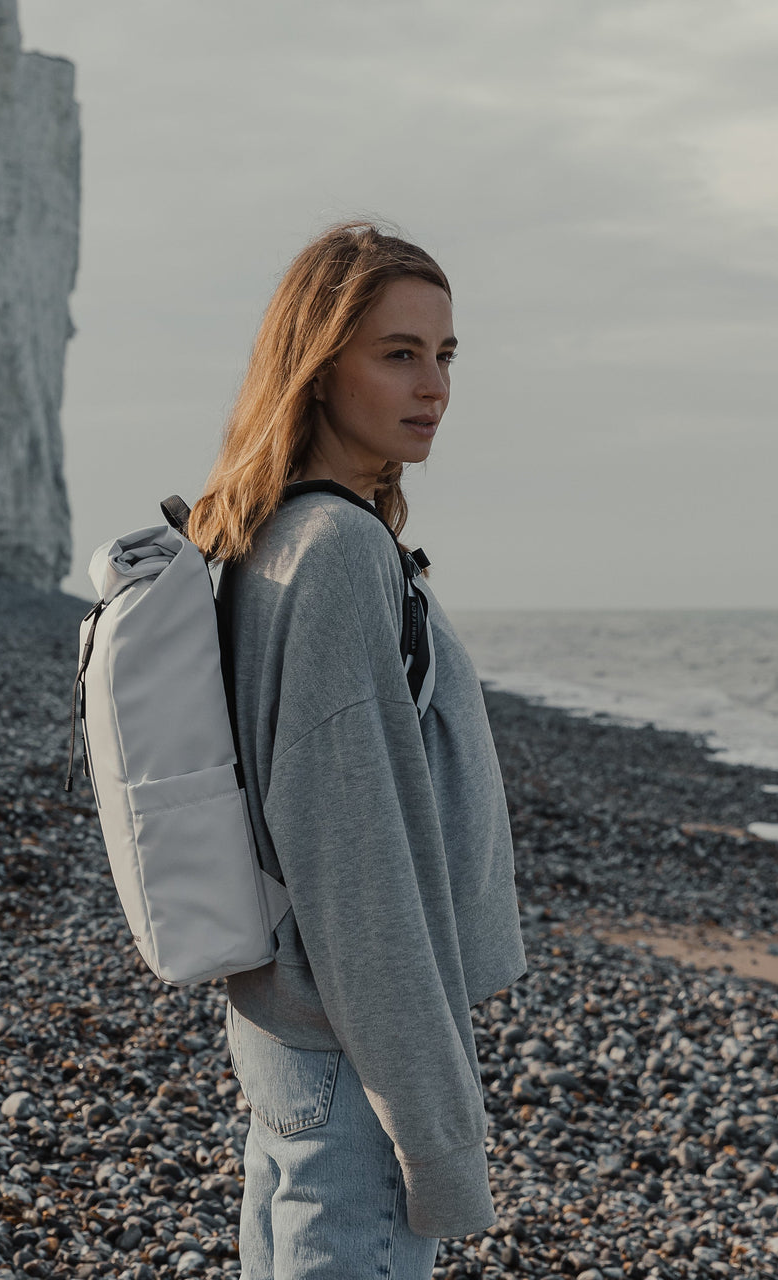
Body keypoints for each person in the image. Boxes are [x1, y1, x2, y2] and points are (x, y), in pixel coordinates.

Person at [187, 222, 527, 1279]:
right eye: (397, 352)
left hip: (296, 1029)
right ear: (318, 364)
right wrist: (435, 1129)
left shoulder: (277, 530)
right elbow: (358, 872)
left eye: (444, 355)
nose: (432, 385)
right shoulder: (333, 553)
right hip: (353, 1049)